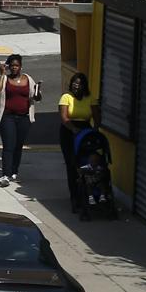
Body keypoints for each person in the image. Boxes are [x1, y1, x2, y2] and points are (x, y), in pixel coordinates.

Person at [0, 54, 39, 188]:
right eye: (12, 65)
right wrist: (2, 74)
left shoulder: (28, 79)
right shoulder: (5, 78)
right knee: (9, 146)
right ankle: (5, 175)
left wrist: (38, 93)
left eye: (16, 65)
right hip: (8, 117)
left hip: (24, 117)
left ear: (21, 66)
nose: (14, 68)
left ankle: (14, 171)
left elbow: (35, 97)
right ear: (8, 66)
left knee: (18, 146)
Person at [57, 69, 94, 197]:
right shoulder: (66, 97)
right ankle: (74, 195)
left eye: (79, 84)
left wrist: (96, 129)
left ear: (84, 86)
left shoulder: (89, 98)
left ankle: (88, 192)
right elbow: (64, 118)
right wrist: (73, 129)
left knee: (86, 162)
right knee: (72, 164)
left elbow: (96, 114)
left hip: (85, 130)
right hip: (69, 131)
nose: (76, 85)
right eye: (74, 83)